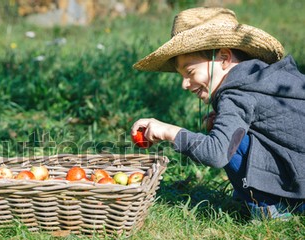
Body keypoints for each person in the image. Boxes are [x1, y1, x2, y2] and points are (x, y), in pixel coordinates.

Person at [131, 7, 305, 220]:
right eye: (181, 76)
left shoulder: (236, 94)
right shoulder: (265, 80)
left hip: (300, 192)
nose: (184, 84)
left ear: (223, 58)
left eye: (190, 72)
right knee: (230, 133)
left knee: (227, 143)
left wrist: (169, 131)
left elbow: (216, 154)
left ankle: (273, 207)